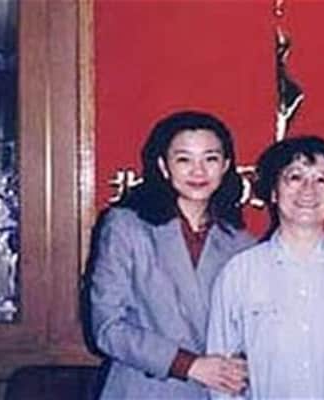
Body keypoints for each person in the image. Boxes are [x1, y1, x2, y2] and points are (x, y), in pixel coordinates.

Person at [88, 110, 255, 399]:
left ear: (226, 166)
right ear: (164, 167)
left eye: (210, 159)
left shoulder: (242, 244)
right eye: (184, 160)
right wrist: (188, 365)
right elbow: (107, 327)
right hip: (144, 390)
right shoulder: (126, 227)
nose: (198, 171)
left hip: (217, 393)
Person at [207, 136, 324, 399]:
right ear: (273, 192)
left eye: (322, 180)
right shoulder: (240, 272)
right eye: (295, 177)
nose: (308, 190)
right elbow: (221, 379)